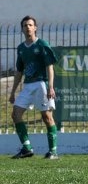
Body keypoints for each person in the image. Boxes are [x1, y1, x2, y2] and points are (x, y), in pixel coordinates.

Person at [8, 15, 59, 160]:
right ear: (22, 29)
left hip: (41, 84)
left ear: (35, 28)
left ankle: (53, 151)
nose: (28, 27)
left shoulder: (42, 44)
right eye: (25, 25)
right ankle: (27, 148)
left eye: (30, 25)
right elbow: (19, 71)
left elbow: (50, 66)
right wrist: (12, 92)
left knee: (47, 116)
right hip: (28, 86)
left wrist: (51, 87)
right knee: (15, 114)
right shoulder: (21, 48)